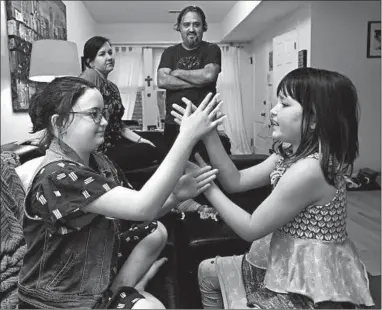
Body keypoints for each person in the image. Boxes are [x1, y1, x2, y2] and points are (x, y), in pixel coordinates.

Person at [172, 68, 375, 309]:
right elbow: (235, 181)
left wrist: (206, 187)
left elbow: (250, 228)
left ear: (313, 119)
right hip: (287, 258)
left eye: (284, 104)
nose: (273, 110)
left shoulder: (310, 169)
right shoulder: (289, 153)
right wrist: (208, 134)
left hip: (309, 282)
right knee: (208, 271)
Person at [18, 76, 225, 309]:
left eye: (103, 112)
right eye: (93, 114)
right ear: (59, 123)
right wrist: (186, 136)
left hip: (89, 274)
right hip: (56, 300)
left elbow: (136, 214)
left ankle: (117, 292)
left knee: (155, 232)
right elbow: (142, 206)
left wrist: (175, 195)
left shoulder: (100, 162)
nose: (105, 121)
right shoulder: (57, 177)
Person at [80, 36, 162, 171]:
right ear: (90, 62)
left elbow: (119, 125)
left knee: (155, 142)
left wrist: (140, 140)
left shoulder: (112, 87)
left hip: (116, 142)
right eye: (102, 54)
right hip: (100, 150)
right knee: (152, 151)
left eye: (110, 53)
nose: (109, 57)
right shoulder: (90, 76)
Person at [157, 5, 221, 153]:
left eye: (196, 24)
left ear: (203, 27)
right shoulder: (170, 52)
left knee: (206, 169)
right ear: (179, 27)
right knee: (174, 171)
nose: (191, 29)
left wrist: (178, 72)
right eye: (186, 24)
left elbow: (209, 75)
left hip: (204, 121)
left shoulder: (212, 49)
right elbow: (162, 80)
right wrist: (199, 82)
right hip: (174, 123)